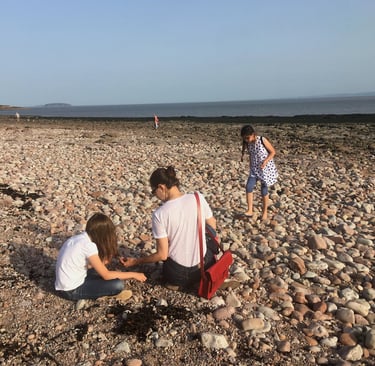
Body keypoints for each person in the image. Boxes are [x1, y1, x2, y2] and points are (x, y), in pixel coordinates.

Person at [122, 166, 217, 290]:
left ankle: (179, 284)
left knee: (169, 252)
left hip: (178, 274)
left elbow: (162, 255)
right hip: (205, 267)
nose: (155, 195)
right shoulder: (197, 198)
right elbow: (212, 224)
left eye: (154, 191)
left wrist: (136, 261)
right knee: (207, 240)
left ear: (161, 187)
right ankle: (201, 278)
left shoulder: (159, 214)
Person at [55, 212, 147, 301]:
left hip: (63, 284)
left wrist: (107, 258)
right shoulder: (89, 245)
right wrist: (134, 275)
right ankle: (105, 295)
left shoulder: (78, 239)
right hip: (70, 290)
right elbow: (106, 275)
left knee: (100, 270)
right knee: (118, 285)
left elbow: (88, 263)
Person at [240, 125, 278, 220]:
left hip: (265, 169)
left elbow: (273, 152)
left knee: (263, 190)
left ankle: (264, 212)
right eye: (245, 139)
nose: (247, 140)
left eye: (248, 138)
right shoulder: (248, 144)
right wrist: (250, 165)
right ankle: (250, 210)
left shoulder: (262, 140)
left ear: (253, 134)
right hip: (254, 169)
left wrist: (265, 161)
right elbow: (251, 156)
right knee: (249, 186)